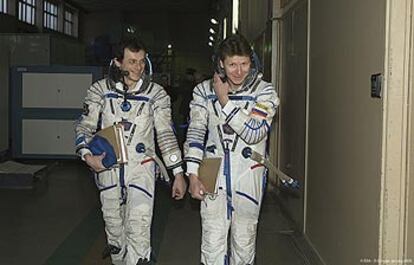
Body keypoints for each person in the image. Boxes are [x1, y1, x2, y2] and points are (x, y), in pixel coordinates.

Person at [75, 37, 187, 265]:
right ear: (118, 63)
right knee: (115, 232)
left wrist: (177, 172)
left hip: (141, 168)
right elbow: (85, 127)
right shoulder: (100, 91)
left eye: (142, 62)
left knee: (139, 228)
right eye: (132, 61)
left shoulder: (155, 94)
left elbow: (165, 135)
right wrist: (88, 156)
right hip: (108, 168)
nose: (138, 67)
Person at [184, 34, 280, 265]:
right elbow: (196, 133)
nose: (238, 71)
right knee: (211, 242)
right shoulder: (202, 92)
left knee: (244, 242)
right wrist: (192, 174)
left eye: (244, 64)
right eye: (232, 65)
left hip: (248, 174)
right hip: (212, 171)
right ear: (221, 64)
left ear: (252, 62)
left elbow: (254, 132)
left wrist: (225, 101)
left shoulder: (265, 92)